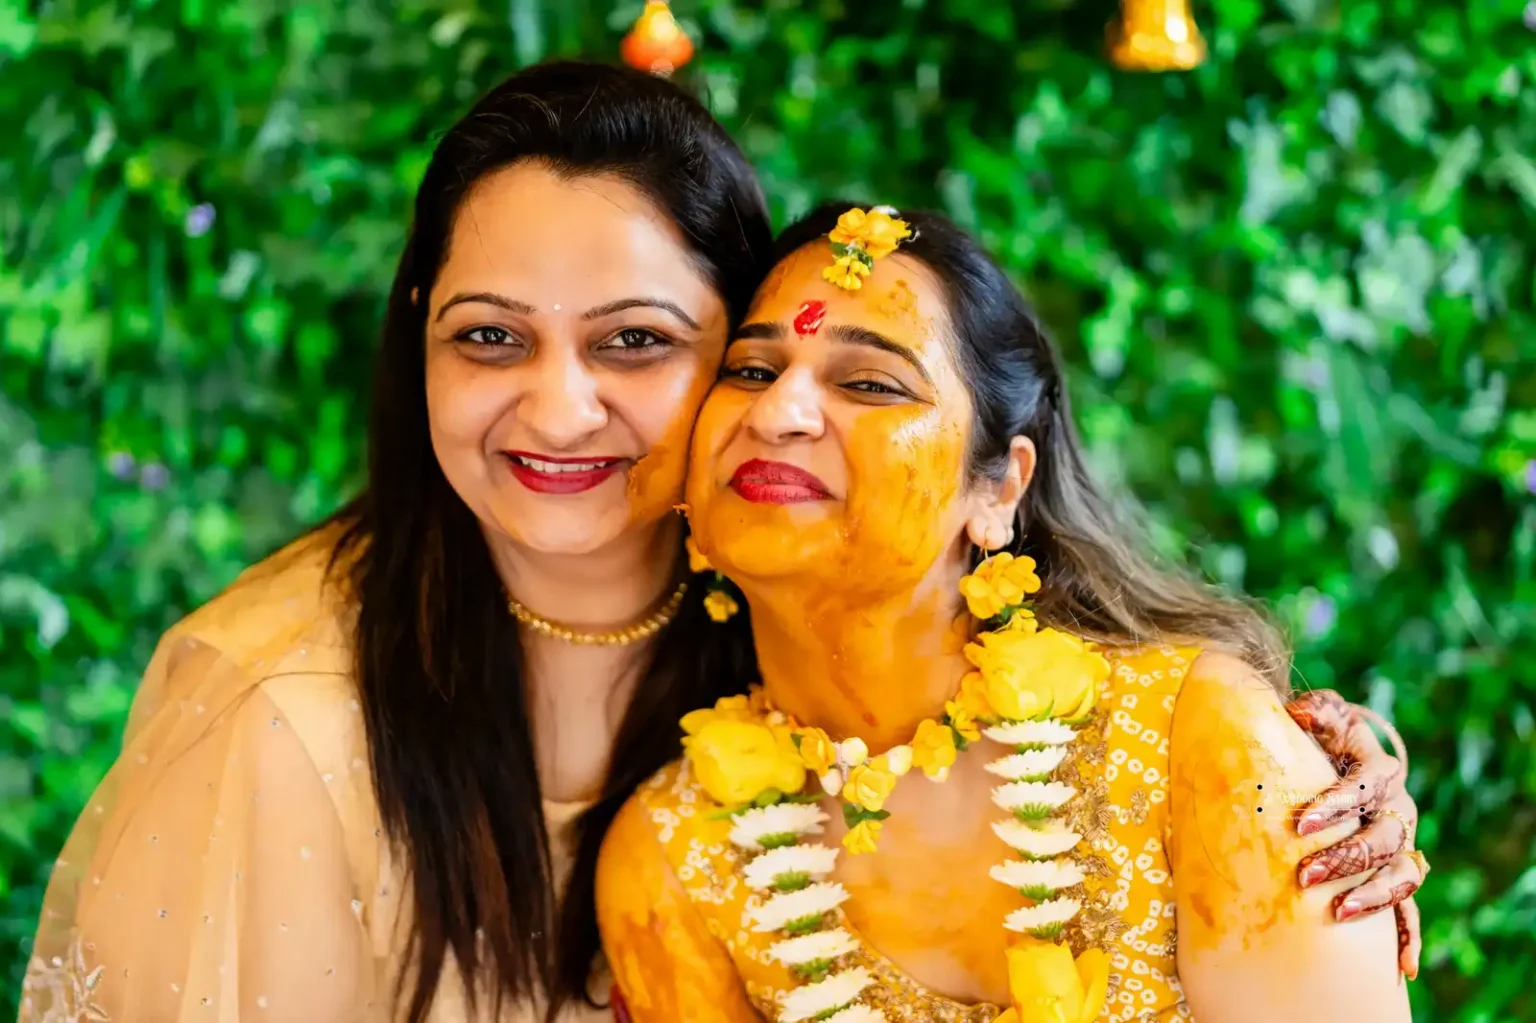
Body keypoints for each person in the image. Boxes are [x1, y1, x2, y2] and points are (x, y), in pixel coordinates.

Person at [20, 64, 1420, 1023]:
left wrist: (1300, 765)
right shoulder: (309, 722)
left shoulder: (1106, 714)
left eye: (638, 343)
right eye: (487, 336)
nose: (559, 405)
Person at [595, 204, 1427, 1023]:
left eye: (869, 383)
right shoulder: (676, 861)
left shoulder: (1196, 742)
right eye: (749, 370)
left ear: (998, 487)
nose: (777, 412)